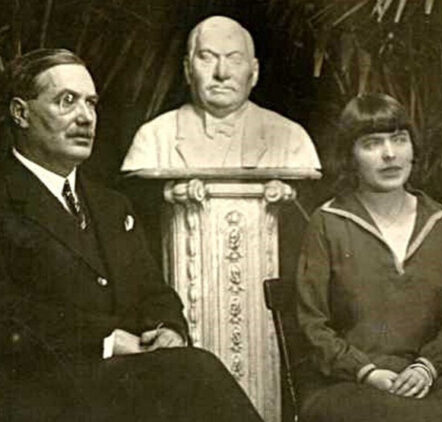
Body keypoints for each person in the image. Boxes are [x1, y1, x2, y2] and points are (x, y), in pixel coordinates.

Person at [0, 48, 264, 422]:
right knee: (195, 371)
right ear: (21, 113)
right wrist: (104, 340)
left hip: (120, 386)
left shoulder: (111, 206)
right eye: (67, 101)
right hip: (38, 390)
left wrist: (168, 329)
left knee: (188, 369)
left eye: (91, 103)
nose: (85, 117)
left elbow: (153, 292)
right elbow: (9, 314)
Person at [295, 94, 442, 422]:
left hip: (424, 376)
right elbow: (312, 324)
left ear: (413, 148)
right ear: (350, 156)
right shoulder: (328, 222)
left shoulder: (438, 220)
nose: (390, 154)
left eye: (399, 139)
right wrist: (365, 371)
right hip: (346, 380)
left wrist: (426, 368)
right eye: (372, 144)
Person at [120, 15, 320, 170]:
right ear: (188, 70)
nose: (222, 73)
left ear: (254, 72)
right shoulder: (154, 138)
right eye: (207, 57)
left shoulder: (291, 139)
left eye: (235, 58)